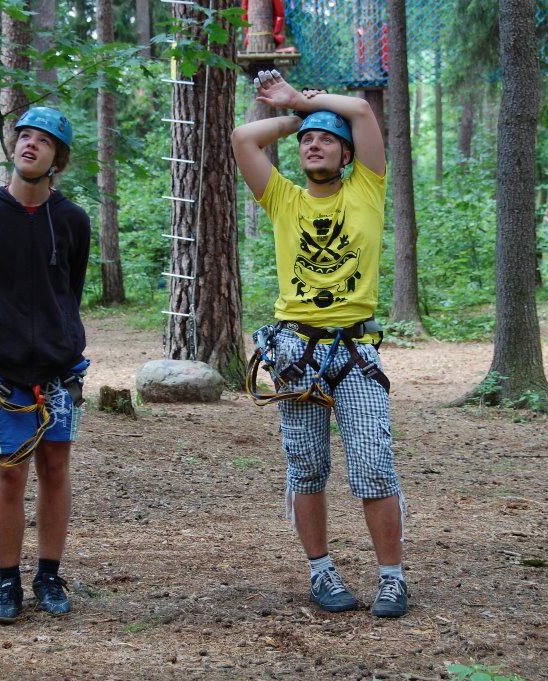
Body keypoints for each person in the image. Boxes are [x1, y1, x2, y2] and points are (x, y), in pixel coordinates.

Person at [231, 70, 407, 618]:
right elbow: (243, 139)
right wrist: (298, 119)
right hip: (296, 353)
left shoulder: (367, 189)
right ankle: (321, 572)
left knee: (374, 465)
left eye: (327, 139)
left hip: (355, 353)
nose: (313, 144)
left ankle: (392, 578)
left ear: (348, 155)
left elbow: (361, 109)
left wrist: (299, 100)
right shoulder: (283, 199)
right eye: (307, 139)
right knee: (306, 468)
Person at [0, 106, 91, 623]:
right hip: (1, 370)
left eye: (44, 140)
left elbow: (71, 288)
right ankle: (8, 581)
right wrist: (2, 335)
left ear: (58, 159)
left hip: (59, 371)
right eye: (25, 136)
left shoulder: (73, 220)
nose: (30, 144)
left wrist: (56, 338)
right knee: (10, 474)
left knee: (55, 469)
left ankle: (49, 577)